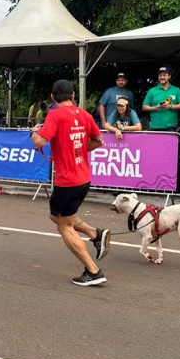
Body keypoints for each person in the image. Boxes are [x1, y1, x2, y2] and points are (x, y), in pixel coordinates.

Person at [30, 79, 111, 286]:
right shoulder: (84, 114)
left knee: (64, 226)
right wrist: (78, 148)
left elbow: (40, 142)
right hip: (83, 177)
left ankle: (93, 271)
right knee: (55, 215)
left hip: (68, 181)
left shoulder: (55, 115)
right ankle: (95, 233)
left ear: (52, 97)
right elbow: (98, 141)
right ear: (73, 95)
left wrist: (33, 133)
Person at [142, 66, 180, 131]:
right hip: (155, 126)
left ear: (169, 76)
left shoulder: (176, 90)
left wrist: (170, 106)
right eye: (160, 75)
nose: (162, 77)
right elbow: (144, 107)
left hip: (171, 126)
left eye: (164, 75)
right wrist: (155, 108)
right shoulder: (152, 91)